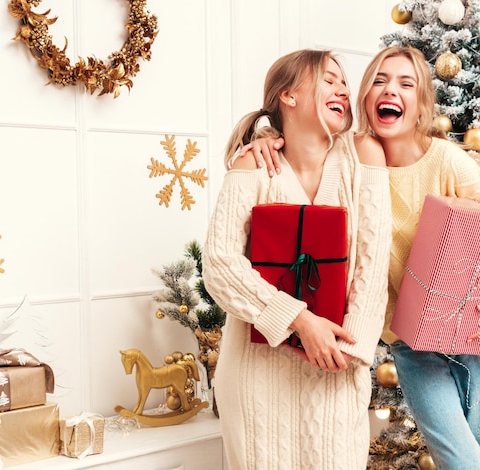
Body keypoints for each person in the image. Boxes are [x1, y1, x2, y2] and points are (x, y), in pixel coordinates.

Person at [243, 46, 480, 470]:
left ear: (421, 104)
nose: (392, 90)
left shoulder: (447, 162)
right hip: (410, 346)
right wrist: (264, 137)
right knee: (464, 463)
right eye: (380, 81)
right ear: (366, 97)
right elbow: (297, 139)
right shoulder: (346, 156)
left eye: (406, 84)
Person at [202, 49, 392, 470]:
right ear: (288, 95)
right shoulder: (254, 162)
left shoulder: (364, 157)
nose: (343, 88)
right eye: (328, 79)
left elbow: (372, 268)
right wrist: (300, 322)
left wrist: (350, 349)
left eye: (344, 82)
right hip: (256, 381)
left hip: (338, 369)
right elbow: (219, 265)